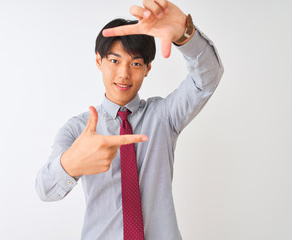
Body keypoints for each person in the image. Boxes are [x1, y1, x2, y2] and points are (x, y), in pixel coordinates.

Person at [35, 0, 223, 239]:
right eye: (114, 61)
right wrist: (70, 164)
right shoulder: (78, 130)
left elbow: (207, 79)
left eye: (135, 63)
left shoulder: (164, 116)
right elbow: (45, 190)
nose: (124, 73)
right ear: (98, 61)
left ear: (148, 69)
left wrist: (185, 35)